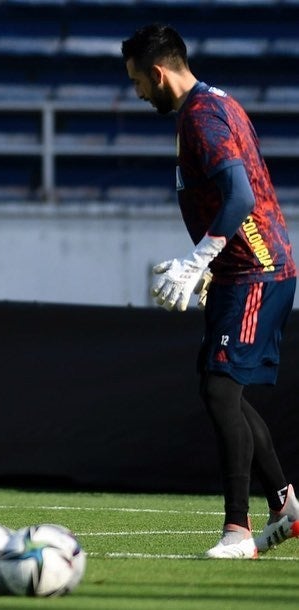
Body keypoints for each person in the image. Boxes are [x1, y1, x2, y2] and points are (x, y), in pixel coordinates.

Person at [121, 24, 299, 559]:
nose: (137, 93)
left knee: (221, 390)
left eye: (137, 82)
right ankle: (286, 506)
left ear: (158, 73)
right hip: (240, 269)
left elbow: (241, 194)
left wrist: (200, 258)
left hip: (256, 271)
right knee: (222, 389)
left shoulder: (200, 118)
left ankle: (239, 532)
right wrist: (207, 267)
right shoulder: (215, 102)